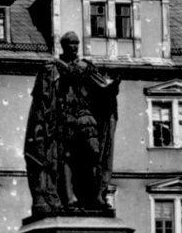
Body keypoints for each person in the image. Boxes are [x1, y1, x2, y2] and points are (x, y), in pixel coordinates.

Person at [24, 31, 119, 217]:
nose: (74, 47)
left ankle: (96, 195)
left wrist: (112, 89)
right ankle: (69, 198)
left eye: (76, 43)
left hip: (85, 117)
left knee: (94, 153)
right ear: (63, 45)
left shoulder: (85, 66)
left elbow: (100, 90)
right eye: (70, 44)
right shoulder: (51, 68)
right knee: (66, 157)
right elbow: (41, 99)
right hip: (63, 118)